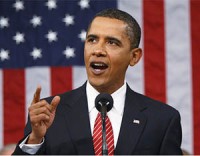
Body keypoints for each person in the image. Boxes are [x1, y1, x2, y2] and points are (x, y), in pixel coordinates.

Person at [12, 8, 182, 155]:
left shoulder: (162, 120)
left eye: (112, 42)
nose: (98, 50)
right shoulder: (48, 114)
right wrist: (34, 139)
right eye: (92, 40)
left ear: (134, 56)